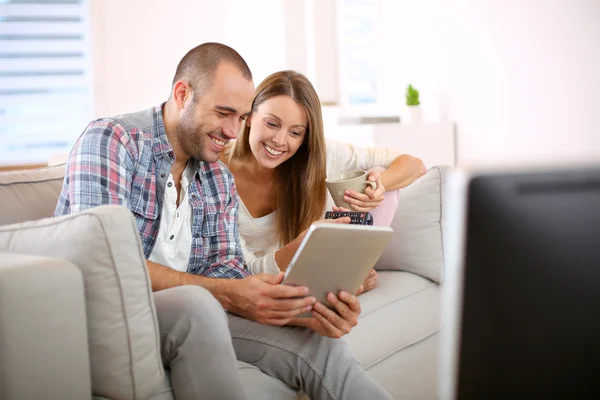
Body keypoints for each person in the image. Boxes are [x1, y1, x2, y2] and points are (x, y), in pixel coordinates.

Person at [55, 43, 392, 400]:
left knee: (319, 347)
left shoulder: (217, 178)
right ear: (182, 94)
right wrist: (229, 294)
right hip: (106, 312)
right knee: (195, 305)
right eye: (223, 113)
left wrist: (296, 307)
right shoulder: (113, 140)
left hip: (193, 313)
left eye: (242, 117)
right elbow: (102, 263)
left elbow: (226, 271)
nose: (233, 132)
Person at [223, 70, 426, 295]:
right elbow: (243, 271)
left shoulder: (318, 156)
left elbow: (414, 164)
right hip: (268, 278)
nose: (279, 141)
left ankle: (347, 275)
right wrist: (305, 242)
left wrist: (379, 186)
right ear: (249, 116)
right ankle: (342, 283)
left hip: (313, 267)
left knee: (376, 174)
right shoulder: (215, 175)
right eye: (271, 124)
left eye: (295, 132)